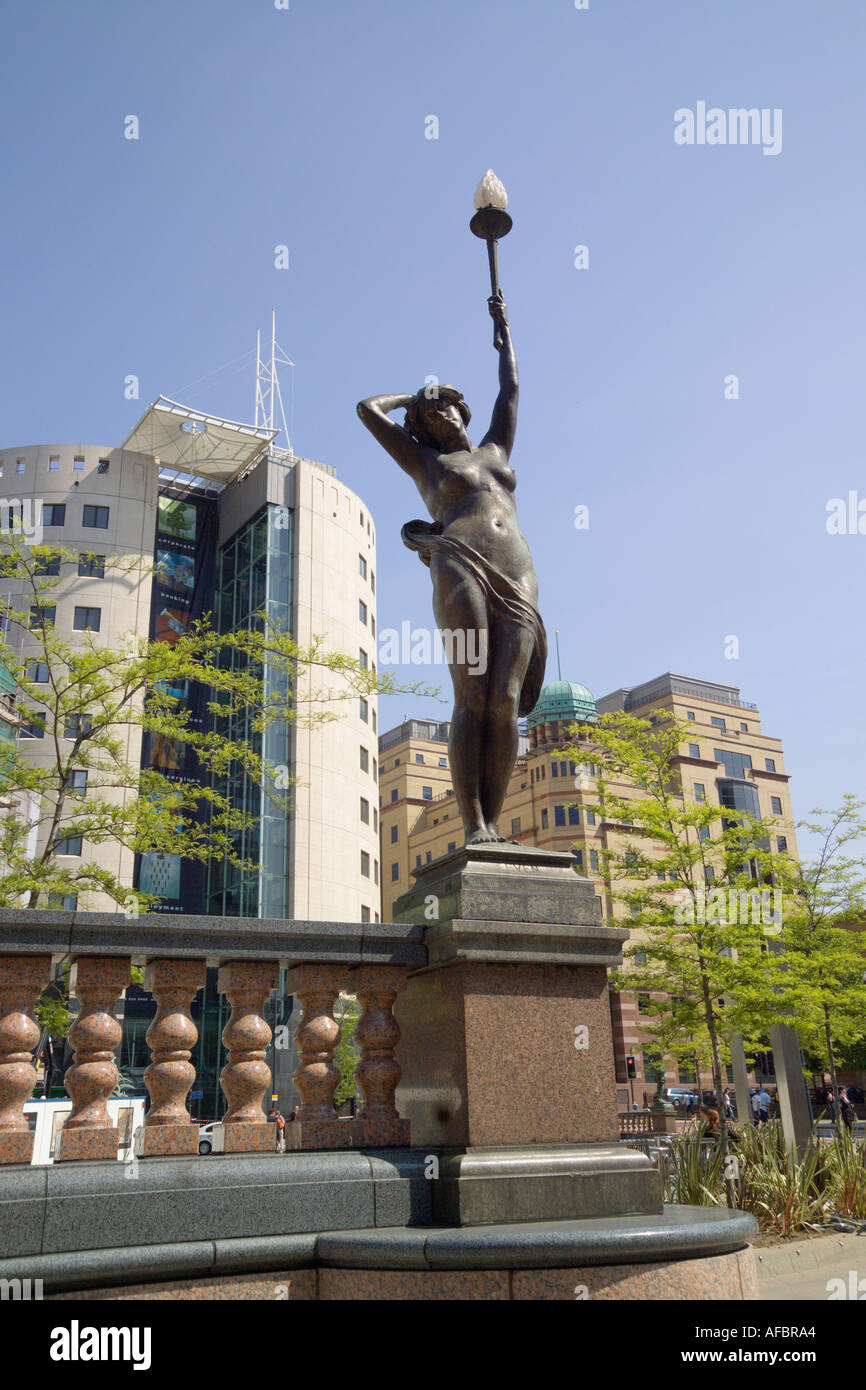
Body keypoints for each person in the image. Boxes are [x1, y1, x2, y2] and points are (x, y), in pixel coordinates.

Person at [357, 293, 546, 845]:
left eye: (445, 406)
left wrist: (503, 332)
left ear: (462, 410)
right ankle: (474, 825)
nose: (439, 415)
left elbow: (511, 390)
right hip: (459, 565)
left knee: (506, 698)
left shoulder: (497, 450)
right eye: (428, 414)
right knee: (473, 693)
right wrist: (411, 398)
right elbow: (368, 410)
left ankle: (495, 820)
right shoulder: (424, 461)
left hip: (517, 572)